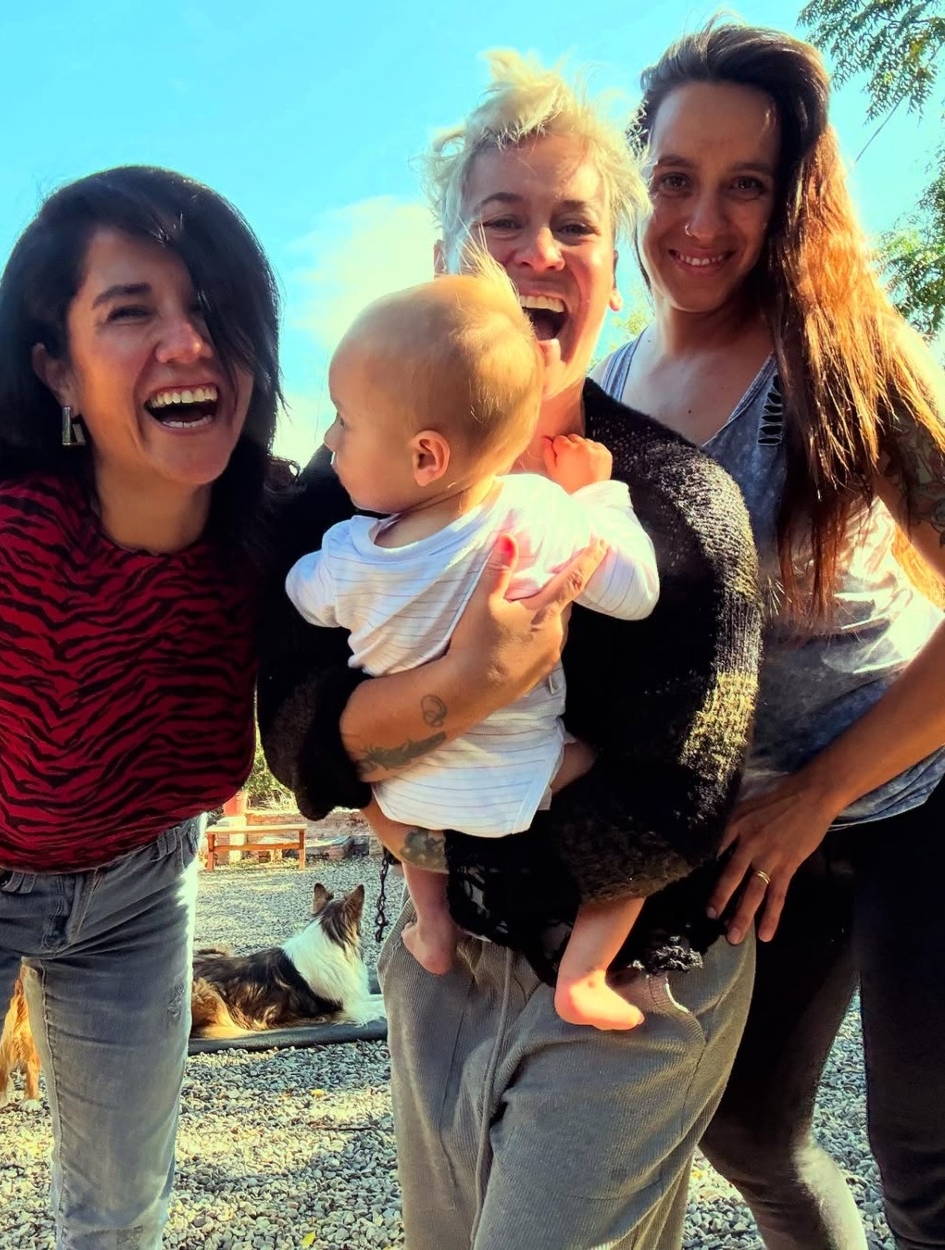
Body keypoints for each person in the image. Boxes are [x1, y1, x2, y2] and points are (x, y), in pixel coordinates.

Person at [258, 52, 762, 1249]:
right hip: (439, 970)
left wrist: (428, 815)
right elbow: (291, 729)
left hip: (633, 965)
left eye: (574, 225)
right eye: (501, 222)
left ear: (614, 274)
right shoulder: (339, 497)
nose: (538, 251)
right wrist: (468, 687)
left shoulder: (673, 505)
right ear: (448, 261)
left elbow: (679, 795)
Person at [593, 22, 945, 1249]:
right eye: (674, 178)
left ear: (790, 198)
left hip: (911, 792)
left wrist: (818, 792)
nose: (702, 219)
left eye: (745, 184)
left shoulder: (841, 363)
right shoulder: (601, 388)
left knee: (927, 1153)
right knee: (743, 1130)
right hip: (744, 825)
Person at [0, 165, 284, 1248]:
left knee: (121, 1214)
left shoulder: (277, 537)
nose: (188, 342)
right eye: (131, 312)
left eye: (213, 307)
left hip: (140, 893)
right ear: (58, 367)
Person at [285, 266, 660, 1030]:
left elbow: (301, 595)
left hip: (404, 801)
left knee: (392, 814)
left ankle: (432, 926)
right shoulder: (536, 515)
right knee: (642, 804)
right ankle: (585, 972)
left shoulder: (350, 552)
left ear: (426, 456)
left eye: (343, 421)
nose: (328, 439)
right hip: (524, 782)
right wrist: (597, 494)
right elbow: (636, 591)